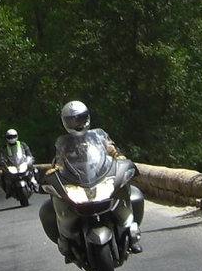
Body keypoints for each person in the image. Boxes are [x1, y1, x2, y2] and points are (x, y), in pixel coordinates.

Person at [40, 100, 143, 254]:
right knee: (49, 209)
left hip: (100, 176)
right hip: (77, 181)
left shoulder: (99, 135)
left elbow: (112, 149)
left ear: (87, 117)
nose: (77, 123)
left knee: (134, 193)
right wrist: (54, 169)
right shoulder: (63, 142)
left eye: (80, 118)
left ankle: (130, 231)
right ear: (65, 122)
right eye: (72, 120)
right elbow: (60, 161)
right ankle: (67, 241)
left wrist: (119, 157)